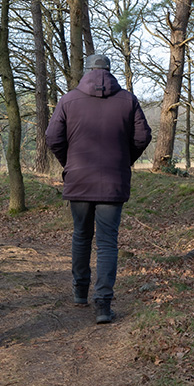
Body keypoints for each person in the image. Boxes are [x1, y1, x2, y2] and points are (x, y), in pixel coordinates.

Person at [45, 54, 152, 324]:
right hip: (113, 182)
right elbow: (142, 137)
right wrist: (123, 160)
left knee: (81, 236)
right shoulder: (128, 100)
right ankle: (103, 304)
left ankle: (80, 292)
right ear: (109, 71)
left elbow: (52, 137)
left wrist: (70, 163)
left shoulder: (68, 100)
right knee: (107, 242)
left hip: (79, 179)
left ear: (87, 71)